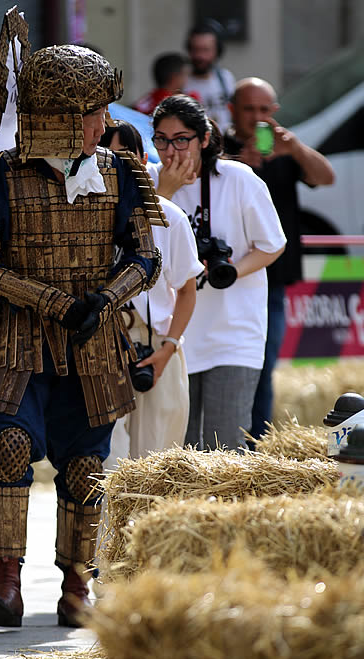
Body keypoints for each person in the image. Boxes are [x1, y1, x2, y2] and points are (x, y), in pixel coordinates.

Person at [0, 37, 164, 628]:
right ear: (65, 118)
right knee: (11, 447)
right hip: (17, 342)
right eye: (96, 112)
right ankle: (8, 586)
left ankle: (77, 587)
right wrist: (51, 302)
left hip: (94, 341)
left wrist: (105, 297)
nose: (105, 123)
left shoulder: (122, 172)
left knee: (85, 468)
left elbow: (146, 258)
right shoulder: (2, 175)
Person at [149, 94, 286, 451]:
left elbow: (273, 244)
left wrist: (229, 272)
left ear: (204, 139)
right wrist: (164, 193)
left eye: (182, 139)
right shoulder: (147, 180)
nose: (170, 151)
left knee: (226, 446)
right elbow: (140, 249)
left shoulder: (237, 179)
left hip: (233, 334)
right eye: (161, 139)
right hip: (174, 336)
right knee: (179, 448)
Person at [225, 77, 335, 439]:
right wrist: (241, 161)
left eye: (264, 110)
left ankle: (255, 445)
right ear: (232, 110)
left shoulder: (286, 150)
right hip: (228, 280)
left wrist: (296, 149)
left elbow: (326, 177)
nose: (257, 118)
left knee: (263, 368)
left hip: (271, 282)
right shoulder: (220, 147)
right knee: (224, 370)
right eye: (249, 109)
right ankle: (224, 444)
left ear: (274, 112)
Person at [99, 120, 202, 465]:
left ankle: (147, 523)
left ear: (145, 161)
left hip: (157, 344)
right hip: (102, 344)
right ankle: (108, 523)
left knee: (157, 461)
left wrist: (169, 348)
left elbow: (188, 291)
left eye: (128, 159)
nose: (119, 168)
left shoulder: (170, 217)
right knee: (108, 462)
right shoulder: (81, 220)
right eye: (110, 158)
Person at [184, 19, 235, 134]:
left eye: (205, 50)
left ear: (217, 51)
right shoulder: (181, 82)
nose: (200, 56)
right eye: (195, 49)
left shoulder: (225, 78)